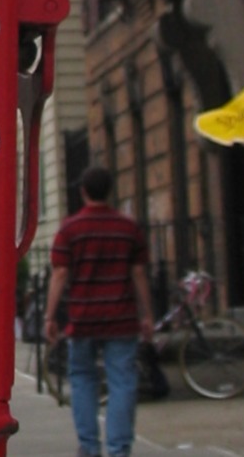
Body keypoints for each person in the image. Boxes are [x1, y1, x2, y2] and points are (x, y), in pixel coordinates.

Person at [44, 166, 154, 457]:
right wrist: (147, 314)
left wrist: (50, 316)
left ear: (83, 191)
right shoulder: (128, 228)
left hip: (83, 318)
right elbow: (139, 273)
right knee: (122, 382)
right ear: (110, 191)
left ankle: (89, 447)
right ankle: (118, 449)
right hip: (121, 318)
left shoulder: (70, 229)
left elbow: (60, 273)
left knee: (82, 378)